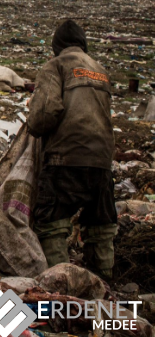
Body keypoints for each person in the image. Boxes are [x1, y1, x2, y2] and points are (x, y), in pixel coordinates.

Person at [28, 19, 117, 279]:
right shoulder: (100, 70)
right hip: (102, 161)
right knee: (101, 225)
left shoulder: (56, 65)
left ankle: (60, 282)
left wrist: (32, 129)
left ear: (57, 46)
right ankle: (104, 282)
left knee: (52, 224)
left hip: (64, 158)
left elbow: (45, 113)